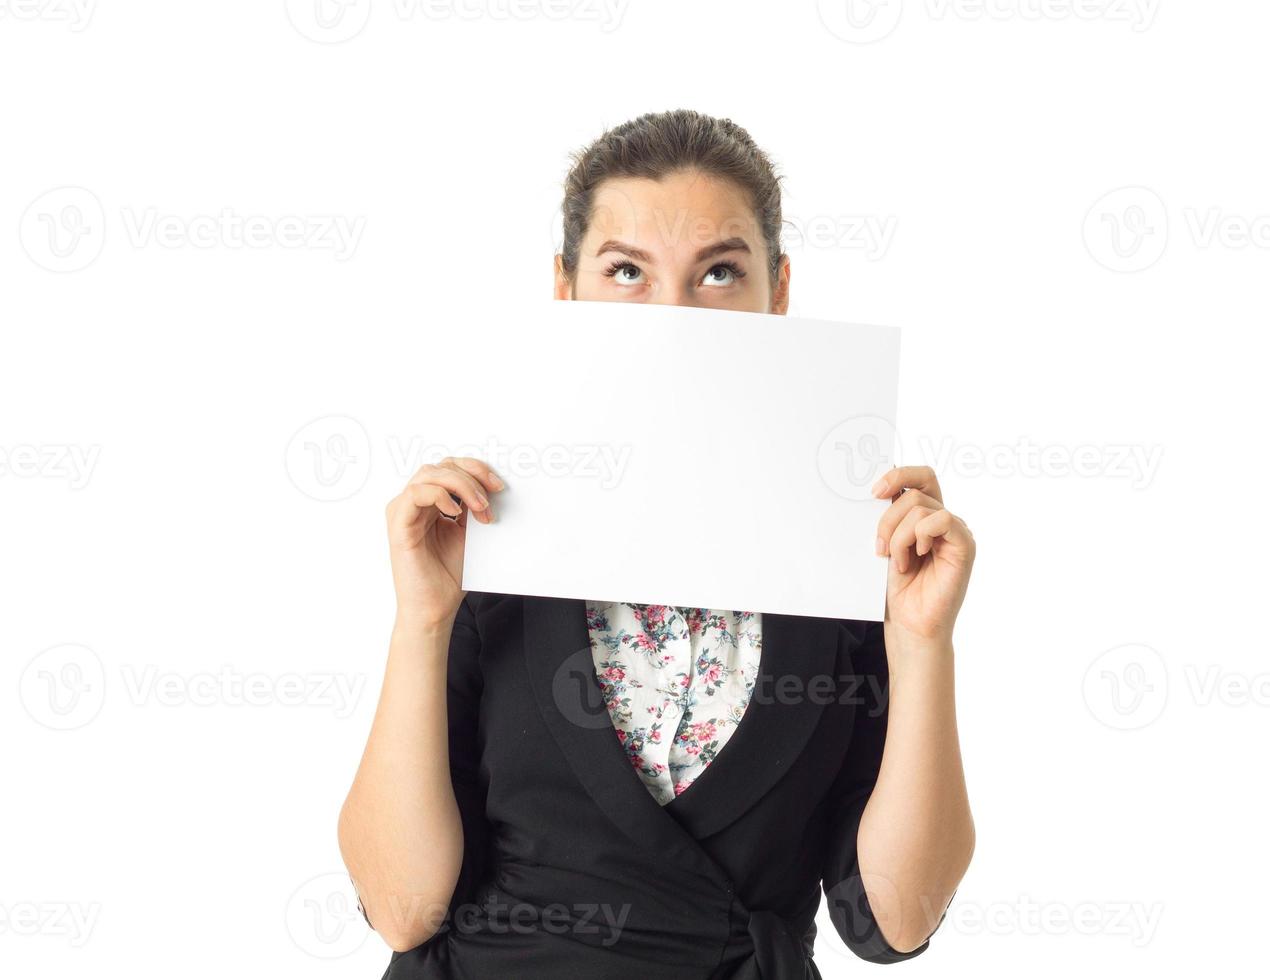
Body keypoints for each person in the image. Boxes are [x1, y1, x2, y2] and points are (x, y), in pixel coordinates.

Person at [338, 108, 976, 980]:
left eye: (719, 272)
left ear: (777, 294)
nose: (675, 315)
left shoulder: (850, 561)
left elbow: (894, 924)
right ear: (565, 289)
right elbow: (403, 911)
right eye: (627, 270)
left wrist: (920, 642)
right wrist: (421, 619)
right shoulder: (484, 541)